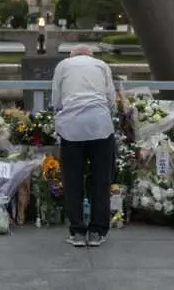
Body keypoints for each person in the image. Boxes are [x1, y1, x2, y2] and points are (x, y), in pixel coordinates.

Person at [51, 44, 116, 248]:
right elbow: (111, 100)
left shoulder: (63, 66)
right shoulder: (102, 65)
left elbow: (56, 100)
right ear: (91, 55)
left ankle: (78, 231)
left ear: (72, 55)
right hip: (100, 127)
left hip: (72, 129)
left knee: (73, 181)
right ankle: (97, 231)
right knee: (101, 180)